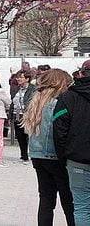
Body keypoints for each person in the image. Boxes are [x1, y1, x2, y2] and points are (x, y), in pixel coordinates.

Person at [23, 69, 76, 226]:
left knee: (46, 199)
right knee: (68, 199)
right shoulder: (57, 104)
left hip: (37, 155)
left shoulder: (36, 102)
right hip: (55, 155)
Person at [54, 61, 90, 225]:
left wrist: (63, 156)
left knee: (82, 207)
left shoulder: (68, 97)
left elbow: (59, 130)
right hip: (77, 158)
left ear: (81, 74)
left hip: (77, 159)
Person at [12, 71, 34, 164]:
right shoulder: (16, 89)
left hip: (27, 115)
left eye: (21, 77)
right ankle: (23, 155)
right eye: (18, 77)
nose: (18, 79)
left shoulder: (33, 89)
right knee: (20, 136)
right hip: (17, 115)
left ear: (27, 79)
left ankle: (30, 155)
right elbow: (12, 102)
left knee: (27, 135)